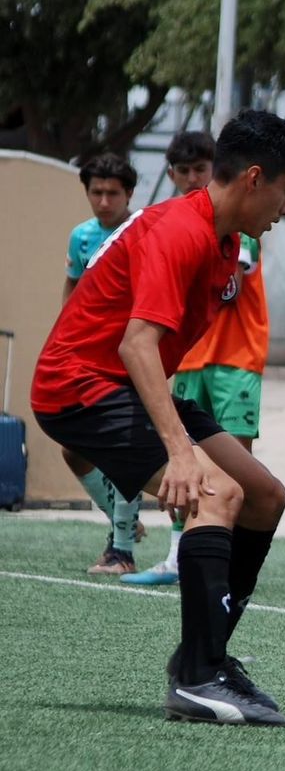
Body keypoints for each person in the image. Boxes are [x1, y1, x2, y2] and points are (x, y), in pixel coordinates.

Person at [31, 108, 285, 725]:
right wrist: (180, 452)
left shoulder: (227, 241)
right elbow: (137, 344)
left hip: (124, 382)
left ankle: (202, 658)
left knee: (264, 496)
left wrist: (178, 436)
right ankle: (198, 681)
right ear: (255, 178)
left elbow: (154, 349)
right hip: (79, 386)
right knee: (216, 493)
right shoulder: (181, 230)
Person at [125, 130, 269, 586]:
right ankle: (177, 555)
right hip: (189, 362)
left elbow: (229, 289)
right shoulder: (172, 226)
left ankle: (221, 553)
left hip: (236, 359)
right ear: (171, 174)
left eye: (199, 170)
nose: (191, 178)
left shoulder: (239, 230)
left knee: (237, 467)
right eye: (183, 171)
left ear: (218, 172)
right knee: (184, 461)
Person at [63, 153, 146, 576]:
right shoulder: (81, 236)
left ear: (129, 194)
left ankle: (122, 551)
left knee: (126, 448)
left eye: (112, 193)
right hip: (88, 358)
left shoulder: (145, 231)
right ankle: (123, 520)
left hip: (131, 357)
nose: (103, 201)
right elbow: (72, 289)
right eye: (96, 192)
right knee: (73, 448)